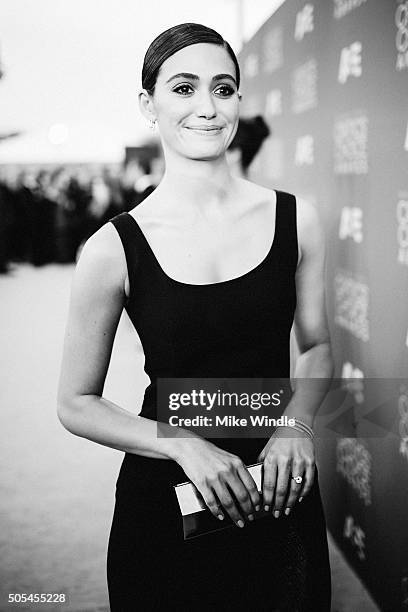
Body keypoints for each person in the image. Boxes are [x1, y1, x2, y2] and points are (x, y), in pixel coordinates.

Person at [57, 23, 333, 611]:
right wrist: (184, 445)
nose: (207, 107)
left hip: (279, 488)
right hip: (163, 498)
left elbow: (315, 348)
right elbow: (75, 402)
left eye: (223, 88)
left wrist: (297, 426)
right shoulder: (111, 248)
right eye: (183, 88)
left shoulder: (296, 219)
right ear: (148, 104)